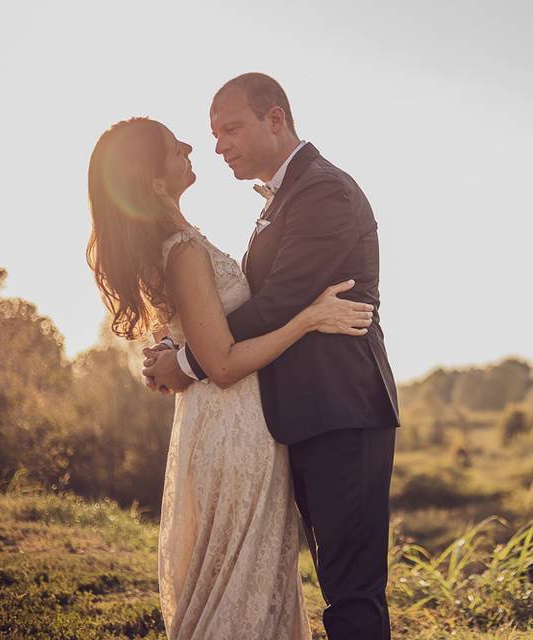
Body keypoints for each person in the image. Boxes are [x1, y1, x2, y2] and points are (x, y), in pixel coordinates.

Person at [87, 116, 375, 638]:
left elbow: (204, 333)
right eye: (175, 146)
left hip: (222, 423)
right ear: (154, 182)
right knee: (241, 578)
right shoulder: (184, 249)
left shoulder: (174, 245)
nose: (193, 145)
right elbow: (221, 363)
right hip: (235, 425)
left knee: (239, 573)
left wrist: (179, 350)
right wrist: (309, 318)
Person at [143, 72, 400, 640]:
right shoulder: (285, 196)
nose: (218, 146)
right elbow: (244, 301)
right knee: (327, 582)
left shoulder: (323, 191)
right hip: (295, 416)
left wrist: (187, 362)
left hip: (342, 412)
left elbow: (280, 302)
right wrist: (178, 340)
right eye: (213, 134)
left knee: (352, 591)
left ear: (276, 119)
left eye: (231, 128)